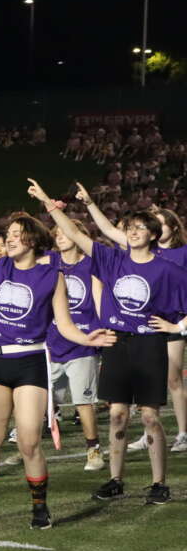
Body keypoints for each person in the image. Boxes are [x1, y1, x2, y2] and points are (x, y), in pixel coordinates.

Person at [0, 203, 115, 528]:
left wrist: (88, 339)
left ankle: (40, 509)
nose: (10, 240)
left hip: (30, 360)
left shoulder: (52, 275)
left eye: (17, 235)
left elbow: (63, 323)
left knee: (29, 441)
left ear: (33, 240)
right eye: (9, 235)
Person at [30, 179, 186, 505]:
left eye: (141, 228)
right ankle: (115, 479)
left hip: (149, 345)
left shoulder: (168, 269)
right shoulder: (114, 259)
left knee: (149, 417)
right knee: (117, 415)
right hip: (116, 343)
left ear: (153, 235)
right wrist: (48, 201)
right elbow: (75, 235)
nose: (133, 232)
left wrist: (177, 326)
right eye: (130, 227)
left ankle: (159, 483)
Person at [77, 184, 187, 454]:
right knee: (131, 399)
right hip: (135, 329)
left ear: (166, 229)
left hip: (165, 322)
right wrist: (90, 204)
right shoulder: (138, 252)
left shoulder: (178, 257)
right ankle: (146, 434)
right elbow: (108, 231)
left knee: (172, 380)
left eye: (157, 223)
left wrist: (179, 326)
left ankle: (182, 432)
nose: (137, 231)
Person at [46, 220, 106, 471]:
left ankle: (93, 449)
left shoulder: (91, 264)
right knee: (42, 400)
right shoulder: (49, 262)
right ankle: (25, 446)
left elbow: (99, 300)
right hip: (51, 342)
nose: (59, 237)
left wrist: (103, 333)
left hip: (83, 343)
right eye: (56, 233)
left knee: (84, 401)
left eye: (65, 233)